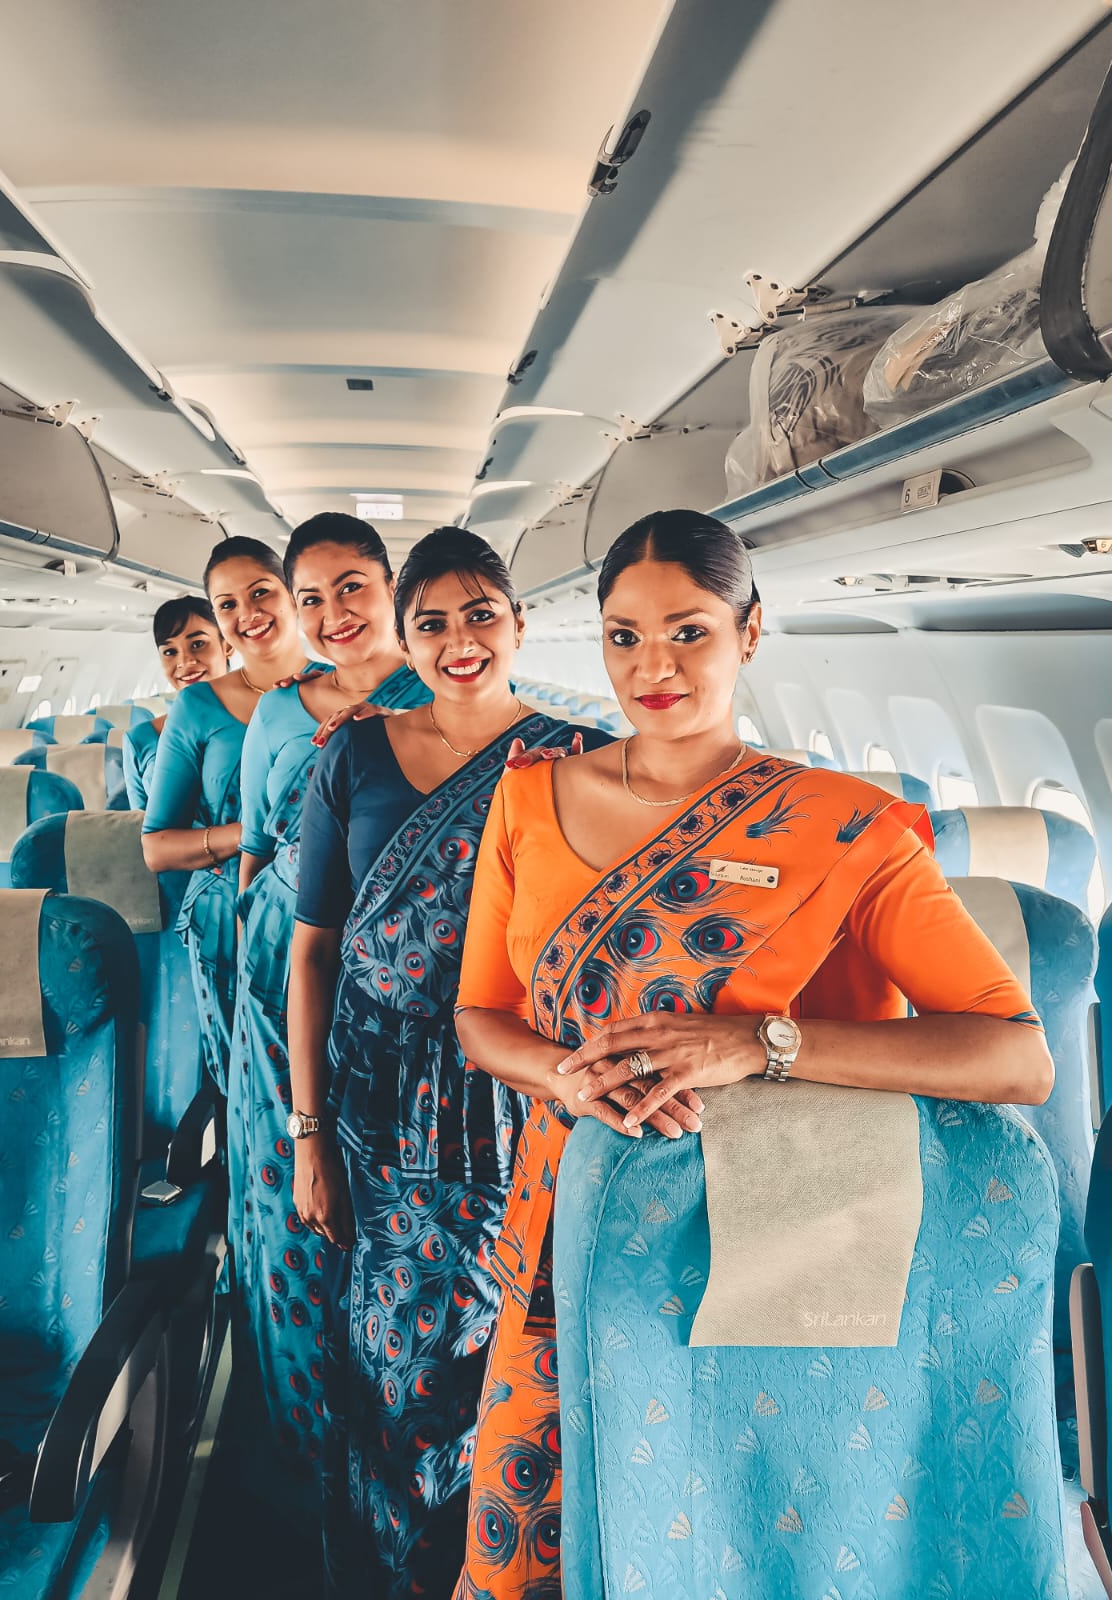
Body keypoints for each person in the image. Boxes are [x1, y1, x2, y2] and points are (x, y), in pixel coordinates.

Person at [451, 509, 1053, 1600]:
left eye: (687, 631)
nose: (654, 666)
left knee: (707, 1545)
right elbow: (481, 1016)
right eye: (623, 636)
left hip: (756, 1246)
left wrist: (760, 1044)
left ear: (750, 631)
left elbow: (1016, 1059)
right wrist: (556, 1073)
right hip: (558, 1232)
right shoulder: (528, 798)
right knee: (529, 1551)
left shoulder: (851, 826)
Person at [286, 528, 612, 1599]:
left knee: (503, 1366)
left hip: (515, 1098)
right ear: (406, 636)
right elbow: (314, 951)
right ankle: (386, 1568)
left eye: (481, 614)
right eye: (432, 621)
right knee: (385, 1361)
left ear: (519, 622)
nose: (460, 640)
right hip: (376, 1108)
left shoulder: (580, 757)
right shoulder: (354, 754)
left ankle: (478, 1572)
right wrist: (309, 1136)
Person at [230, 513, 429, 1496]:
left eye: (351, 586)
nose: (330, 614)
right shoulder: (276, 712)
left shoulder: (439, 696)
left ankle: (392, 1444)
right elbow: (253, 860)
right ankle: (302, 1436)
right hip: (283, 970)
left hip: (398, 977)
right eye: (309, 598)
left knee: (384, 1201)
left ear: (391, 586)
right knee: (287, 1201)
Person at [142, 536, 308, 1092]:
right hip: (224, 918)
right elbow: (157, 846)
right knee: (249, 1085)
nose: (247, 614)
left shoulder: (342, 685)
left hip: (331, 908)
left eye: (261, 592)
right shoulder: (198, 707)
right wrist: (258, 837)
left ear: (291, 594)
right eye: (227, 605)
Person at [123, 596, 233, 809]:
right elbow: (140, 828)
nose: (185, 662)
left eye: (198, 644)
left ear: (227, 645)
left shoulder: (260, 719)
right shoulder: (140, 740)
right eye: (170, 652)